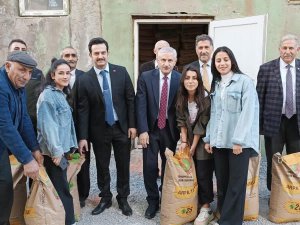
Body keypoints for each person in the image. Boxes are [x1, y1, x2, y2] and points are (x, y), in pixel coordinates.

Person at [76, 37, 136, 216]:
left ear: (107, 53)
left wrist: (133, 125)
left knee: (123, 164)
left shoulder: (121, 72)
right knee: (102, 165)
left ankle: (123, 198)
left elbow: (130, 100)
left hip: (121, 127)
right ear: (90, 55)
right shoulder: (85, 79)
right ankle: (105, 197)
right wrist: (83, 137)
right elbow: (83, 110)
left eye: (103, 52)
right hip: (99, 131)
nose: (100, 56)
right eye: (96, 53)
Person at [204, 46, 259, 225]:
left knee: (236, 184)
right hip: (220, 142)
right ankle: (224, 216)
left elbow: (248, 113)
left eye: (225, 59)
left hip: (238, 144)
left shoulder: (244, 82)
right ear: (214, 64)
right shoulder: (217, 83)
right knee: (222, 182)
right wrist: (209, 138)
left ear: (232, 61)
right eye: (218, 60)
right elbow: (214, 113)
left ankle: (231, 222)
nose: (222, 63)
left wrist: (239, 141)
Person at [136, 46, 181, 219]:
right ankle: (152, 201)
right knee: (149, 167)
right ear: (157, 60)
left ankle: (167, 198)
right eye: (163, 60)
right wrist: (143, 130)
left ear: (175, 62)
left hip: (171, 132)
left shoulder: (180, 78)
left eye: (170, 60)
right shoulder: (146, 77)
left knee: (169, 167)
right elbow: (140, 104)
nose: (166, 63)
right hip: (151, 130)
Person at [0, 51, 43, 225]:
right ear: (8, 66)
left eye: (30, 72)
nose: (26, 76)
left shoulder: (18, 86)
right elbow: (5, 126)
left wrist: (34, 148)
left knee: (4, 188)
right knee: (3, 187)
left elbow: (24, 117)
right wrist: (27, 159)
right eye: (22, 70)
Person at [257, 34, 300, 191]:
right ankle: (274, 195)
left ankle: (293, 195)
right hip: (274, 123)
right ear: (279, 49)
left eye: (291, 48)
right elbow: (259, 99)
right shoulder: (267, 69)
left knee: (296, 161)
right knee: (274, 160)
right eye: (284, 48)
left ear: (297, 49)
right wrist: (258, 127)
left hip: (296, 123)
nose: (287, 51)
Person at [37, 58, 77, 225]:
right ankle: (67, 222)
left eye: (68, 73)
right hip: (53, 152)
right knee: (61, 190)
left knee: (60, 189)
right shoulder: (48, 96)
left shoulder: (61, 94)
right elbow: (49, 127)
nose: (65, 76)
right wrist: (57, 152)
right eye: (61, 73)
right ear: (52, 75)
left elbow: (66, 125)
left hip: (61, 150)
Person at [176, 65, 213, 225]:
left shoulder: (205, 97)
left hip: (203, 139)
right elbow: (181, 120)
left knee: (203, 172)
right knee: (187, 172)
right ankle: (192, 202)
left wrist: (192, 146)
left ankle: (206, 207)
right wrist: (184, 142)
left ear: (199, 81)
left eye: (194, 78)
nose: (190, 81)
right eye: (187, 78)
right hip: (187, 138)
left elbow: (201, 125)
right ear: (183, 80)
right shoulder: (181, 97)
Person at [61, 46, 89, 207]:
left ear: (77, 58)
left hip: (81, 128)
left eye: (73, 55)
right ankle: (66, 192)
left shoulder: (85, 77)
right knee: (64, 161)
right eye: (67, 55)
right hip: (62, 130)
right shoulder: (54, 77)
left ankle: (83, 195)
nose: (70, 58)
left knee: (82, 162)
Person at [7, 39, 45, 134]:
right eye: (16, 49)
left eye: (23, 50)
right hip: (9, 124)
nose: (20, 51)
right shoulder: (2, 75)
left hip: (31, 123)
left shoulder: (38, 73)